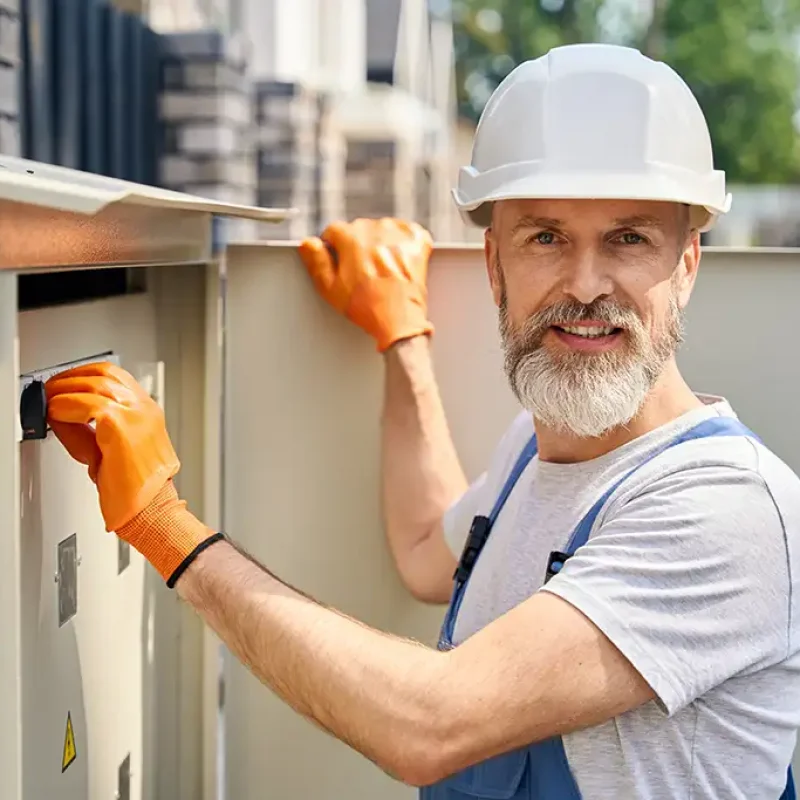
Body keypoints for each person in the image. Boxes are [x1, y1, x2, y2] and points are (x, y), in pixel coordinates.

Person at [44, 43, 800, 800]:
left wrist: (166, 529)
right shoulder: (540, 452)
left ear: (689, 264)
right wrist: (400, 336)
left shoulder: (724, 511)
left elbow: (431, 724)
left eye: (628, 238)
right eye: (546, 237)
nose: (586, 282)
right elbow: (425, 553)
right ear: (494, 265)